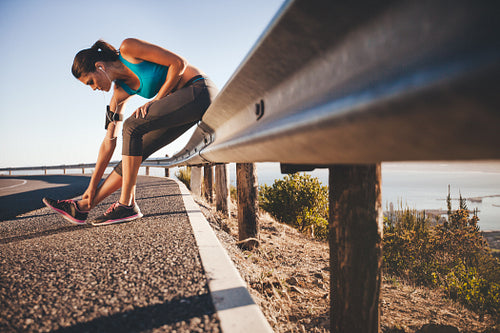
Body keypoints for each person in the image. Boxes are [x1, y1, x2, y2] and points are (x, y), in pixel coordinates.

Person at [43, 38, 218, 226]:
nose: (94, 88)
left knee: (131, 125)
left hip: (199, 90)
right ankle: (83, 206)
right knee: (133, 153)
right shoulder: (119, 94)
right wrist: (91, 186)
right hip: (183, 107)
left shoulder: (128, 49)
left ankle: (126, 204)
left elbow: (179, 63)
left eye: (91, 82)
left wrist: (156, 100)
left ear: (99, 66)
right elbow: (108, 142)